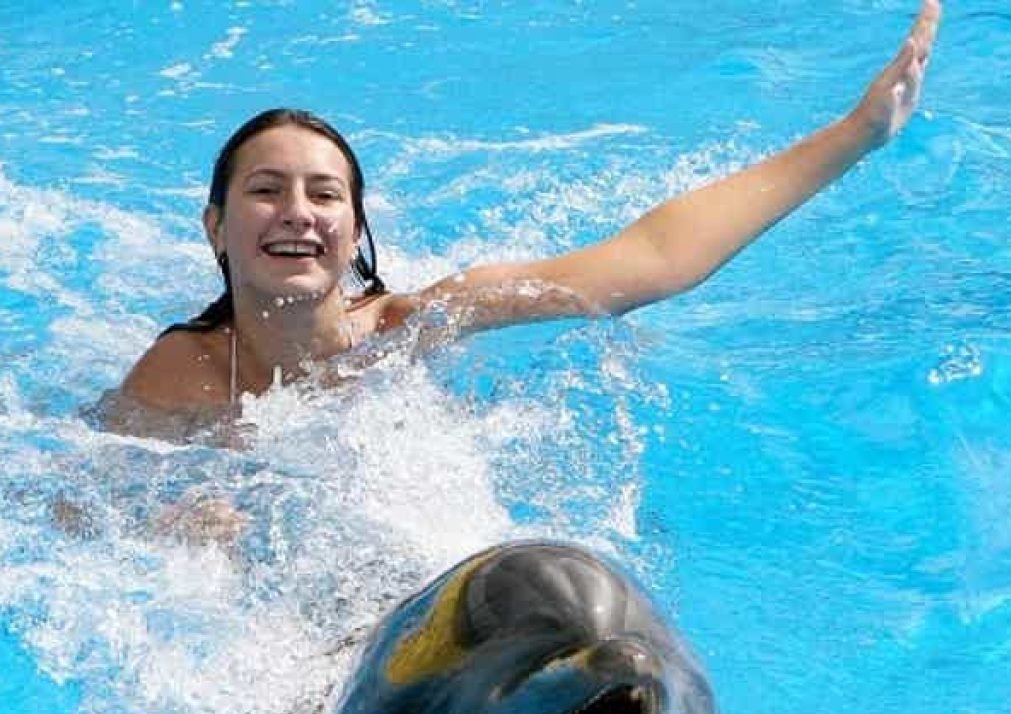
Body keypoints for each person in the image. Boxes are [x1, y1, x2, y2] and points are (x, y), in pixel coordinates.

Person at [116, 1, 941, 420]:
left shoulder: (413, 326)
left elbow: (651, 262)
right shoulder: (177, 378)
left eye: (325, 194)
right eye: (266, 190)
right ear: (216, 226)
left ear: (355, 232)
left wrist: (856, 135)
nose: (298, 212)